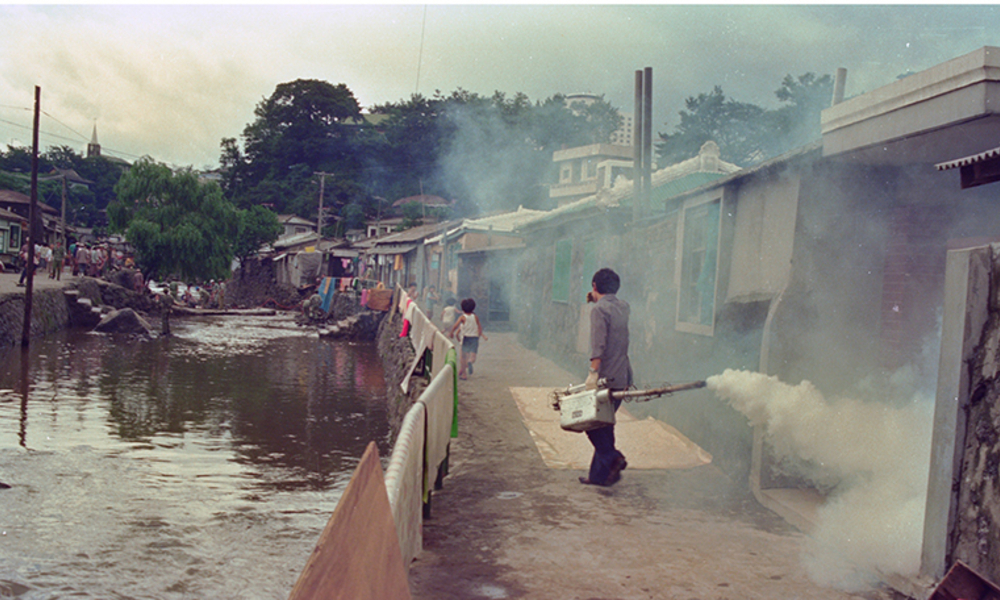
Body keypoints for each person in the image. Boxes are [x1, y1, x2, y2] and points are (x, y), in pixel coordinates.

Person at [580, 267, 632, 487]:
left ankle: (613, 458)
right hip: (623, 374)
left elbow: (599, 344)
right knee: (605, 424)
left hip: (605, 377)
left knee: (591, 424)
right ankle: (600, 477)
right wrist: (597, 299)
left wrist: (593, 373)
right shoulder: (623, 306)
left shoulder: (598, 311)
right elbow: (610, 312)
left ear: (594, 286)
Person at [449, 298, 487, 380]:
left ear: (462, 308)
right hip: (474, 338)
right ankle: (469, 362)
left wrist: (451, 332)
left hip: (466, 338)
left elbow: (456, 325)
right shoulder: (475, 317)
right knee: (472, 356)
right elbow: (480, 328)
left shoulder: (463, 317)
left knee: (463, 357)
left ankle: (464, 375)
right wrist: (479, 336)